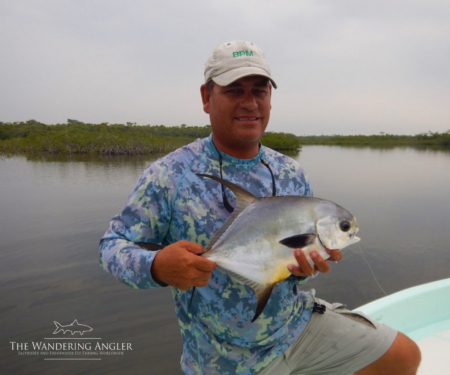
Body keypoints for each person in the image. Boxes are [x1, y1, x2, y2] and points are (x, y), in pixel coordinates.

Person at [100, 40, 421, 374]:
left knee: (402, 356)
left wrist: (303, 268)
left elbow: (287, 269)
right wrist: (156, 266)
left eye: (260, 90)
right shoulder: (169, 175)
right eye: (234, 91)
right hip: (222, 358)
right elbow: (110, 247)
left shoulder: (291, 172)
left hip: (295, 329)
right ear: (207, 98)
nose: (250, 103)